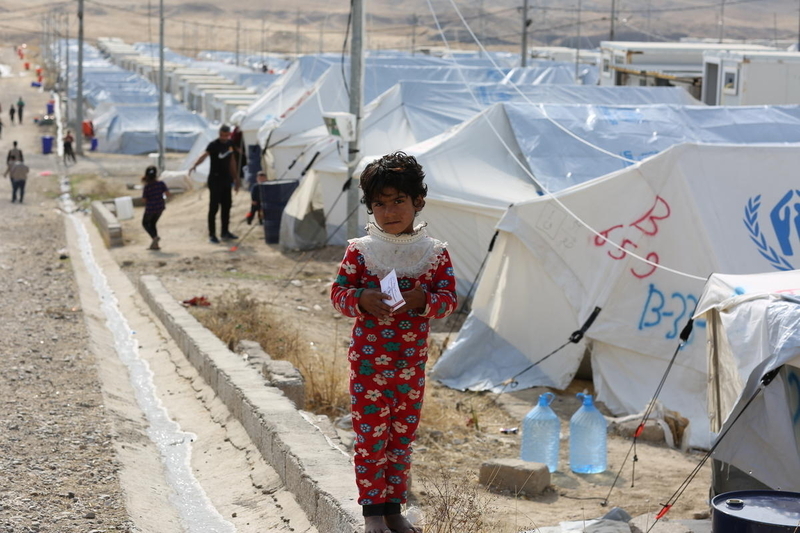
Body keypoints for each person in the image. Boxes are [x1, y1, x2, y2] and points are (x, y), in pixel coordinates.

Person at [330, 152, 457, 533]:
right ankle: (373, 516)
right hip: (369, 370)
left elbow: (449, 301)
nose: (390, 211)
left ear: (418, 201)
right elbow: (338, 293)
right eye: (380, 204)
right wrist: (360, 300)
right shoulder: (361, 251)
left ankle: (393, 510)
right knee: (371, 440)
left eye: (398, 201)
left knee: (401, 441)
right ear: (370, 208)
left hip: (410, 368)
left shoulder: (434, 254)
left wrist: (425, 301)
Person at [189, 124, 241, 244]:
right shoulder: (214, 145)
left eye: (226, 135)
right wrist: (194, 165)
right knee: (214, 207)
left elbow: (232, 162)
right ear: (219, 133)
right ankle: (212, 234)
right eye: (222, 135)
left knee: (226, 206)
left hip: (226, 180)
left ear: (229, 134)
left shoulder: (230, 145)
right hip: (215, 179)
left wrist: (236, 178)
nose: (224, 137)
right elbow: (204, 155)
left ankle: (225, 232)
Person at [141, 165, 170, 250]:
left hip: (150, 208)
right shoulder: (161, 184)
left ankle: (154, 237)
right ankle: (155, 245)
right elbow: (168, 194)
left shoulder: (147, 186)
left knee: (145, 223)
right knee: (153, 224)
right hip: (160, 207)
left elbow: (144, 199)